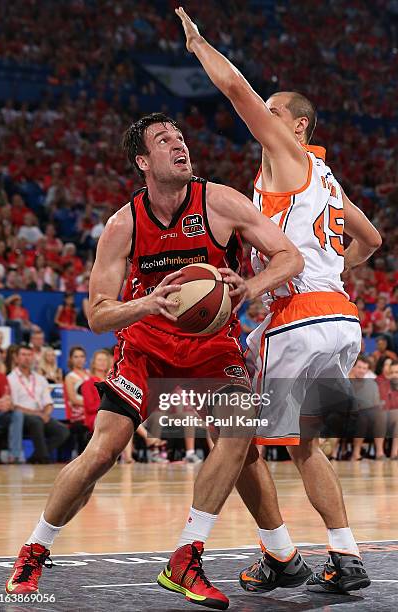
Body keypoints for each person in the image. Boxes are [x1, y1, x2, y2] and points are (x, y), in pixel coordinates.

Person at [5, 112, 303, 606]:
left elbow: (289, 256)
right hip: (146, 344)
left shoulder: (221, 201)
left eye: (181, 137)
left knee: (239, 430)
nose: (179, 144)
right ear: (143, 161)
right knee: (103, 451)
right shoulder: (124, 224)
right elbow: (98, 316)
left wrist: (250, 286)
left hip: (213, 346)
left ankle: (187, 558)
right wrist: (146, 303)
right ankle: (34, 550)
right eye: (164, 140)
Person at [176, 7, 381, 594]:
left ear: (298, 129)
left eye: (273, 115)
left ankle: (278, 555)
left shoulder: (288, 159)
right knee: (304, 446)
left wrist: (199, 46)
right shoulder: (329, 181)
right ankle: (345, 559)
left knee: (231, 434)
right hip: (341, 321)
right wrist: (334, 268)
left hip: (295, 322)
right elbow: (371, 240)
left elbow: (236, 88)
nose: (261, 122)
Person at [7, 345, 69, 464]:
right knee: (36, 421)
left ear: (33, 357)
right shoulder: (11, 378)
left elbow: (48, 402)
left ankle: (37, 456)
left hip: (41, 416)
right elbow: (13, 406)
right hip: (22, 417)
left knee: (63, 431)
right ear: (16, 358)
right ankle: (44, 458)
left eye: (29, 355)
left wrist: (46, 414)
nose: (27, 358)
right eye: (23, 355)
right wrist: (38, 414)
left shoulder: (40, 379)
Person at [350, 355, 386, 461]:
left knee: (380, 414)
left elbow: (376, 402)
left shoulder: (371, 383)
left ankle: (380, 453)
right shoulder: (346, 381)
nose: (361, 371)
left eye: (364, 368)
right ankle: (355, 454)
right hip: (348, 416)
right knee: (363, 416)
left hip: (368, 415)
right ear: (353, 367)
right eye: (359, 367)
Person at [0, 347, 23, 463]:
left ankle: (14, 456)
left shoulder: (1, 377)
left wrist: (7, 404)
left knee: (17, 415)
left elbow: (7, 397)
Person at [64, 346, 90, 455]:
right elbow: (73, 399)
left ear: (85, 358)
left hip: (93, 411)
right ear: (71, 359)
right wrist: (92, 405)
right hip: (78, 414)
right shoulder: (69, 377)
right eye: (76, 357)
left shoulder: (90, 374)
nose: (79, 359)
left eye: (81, 356)